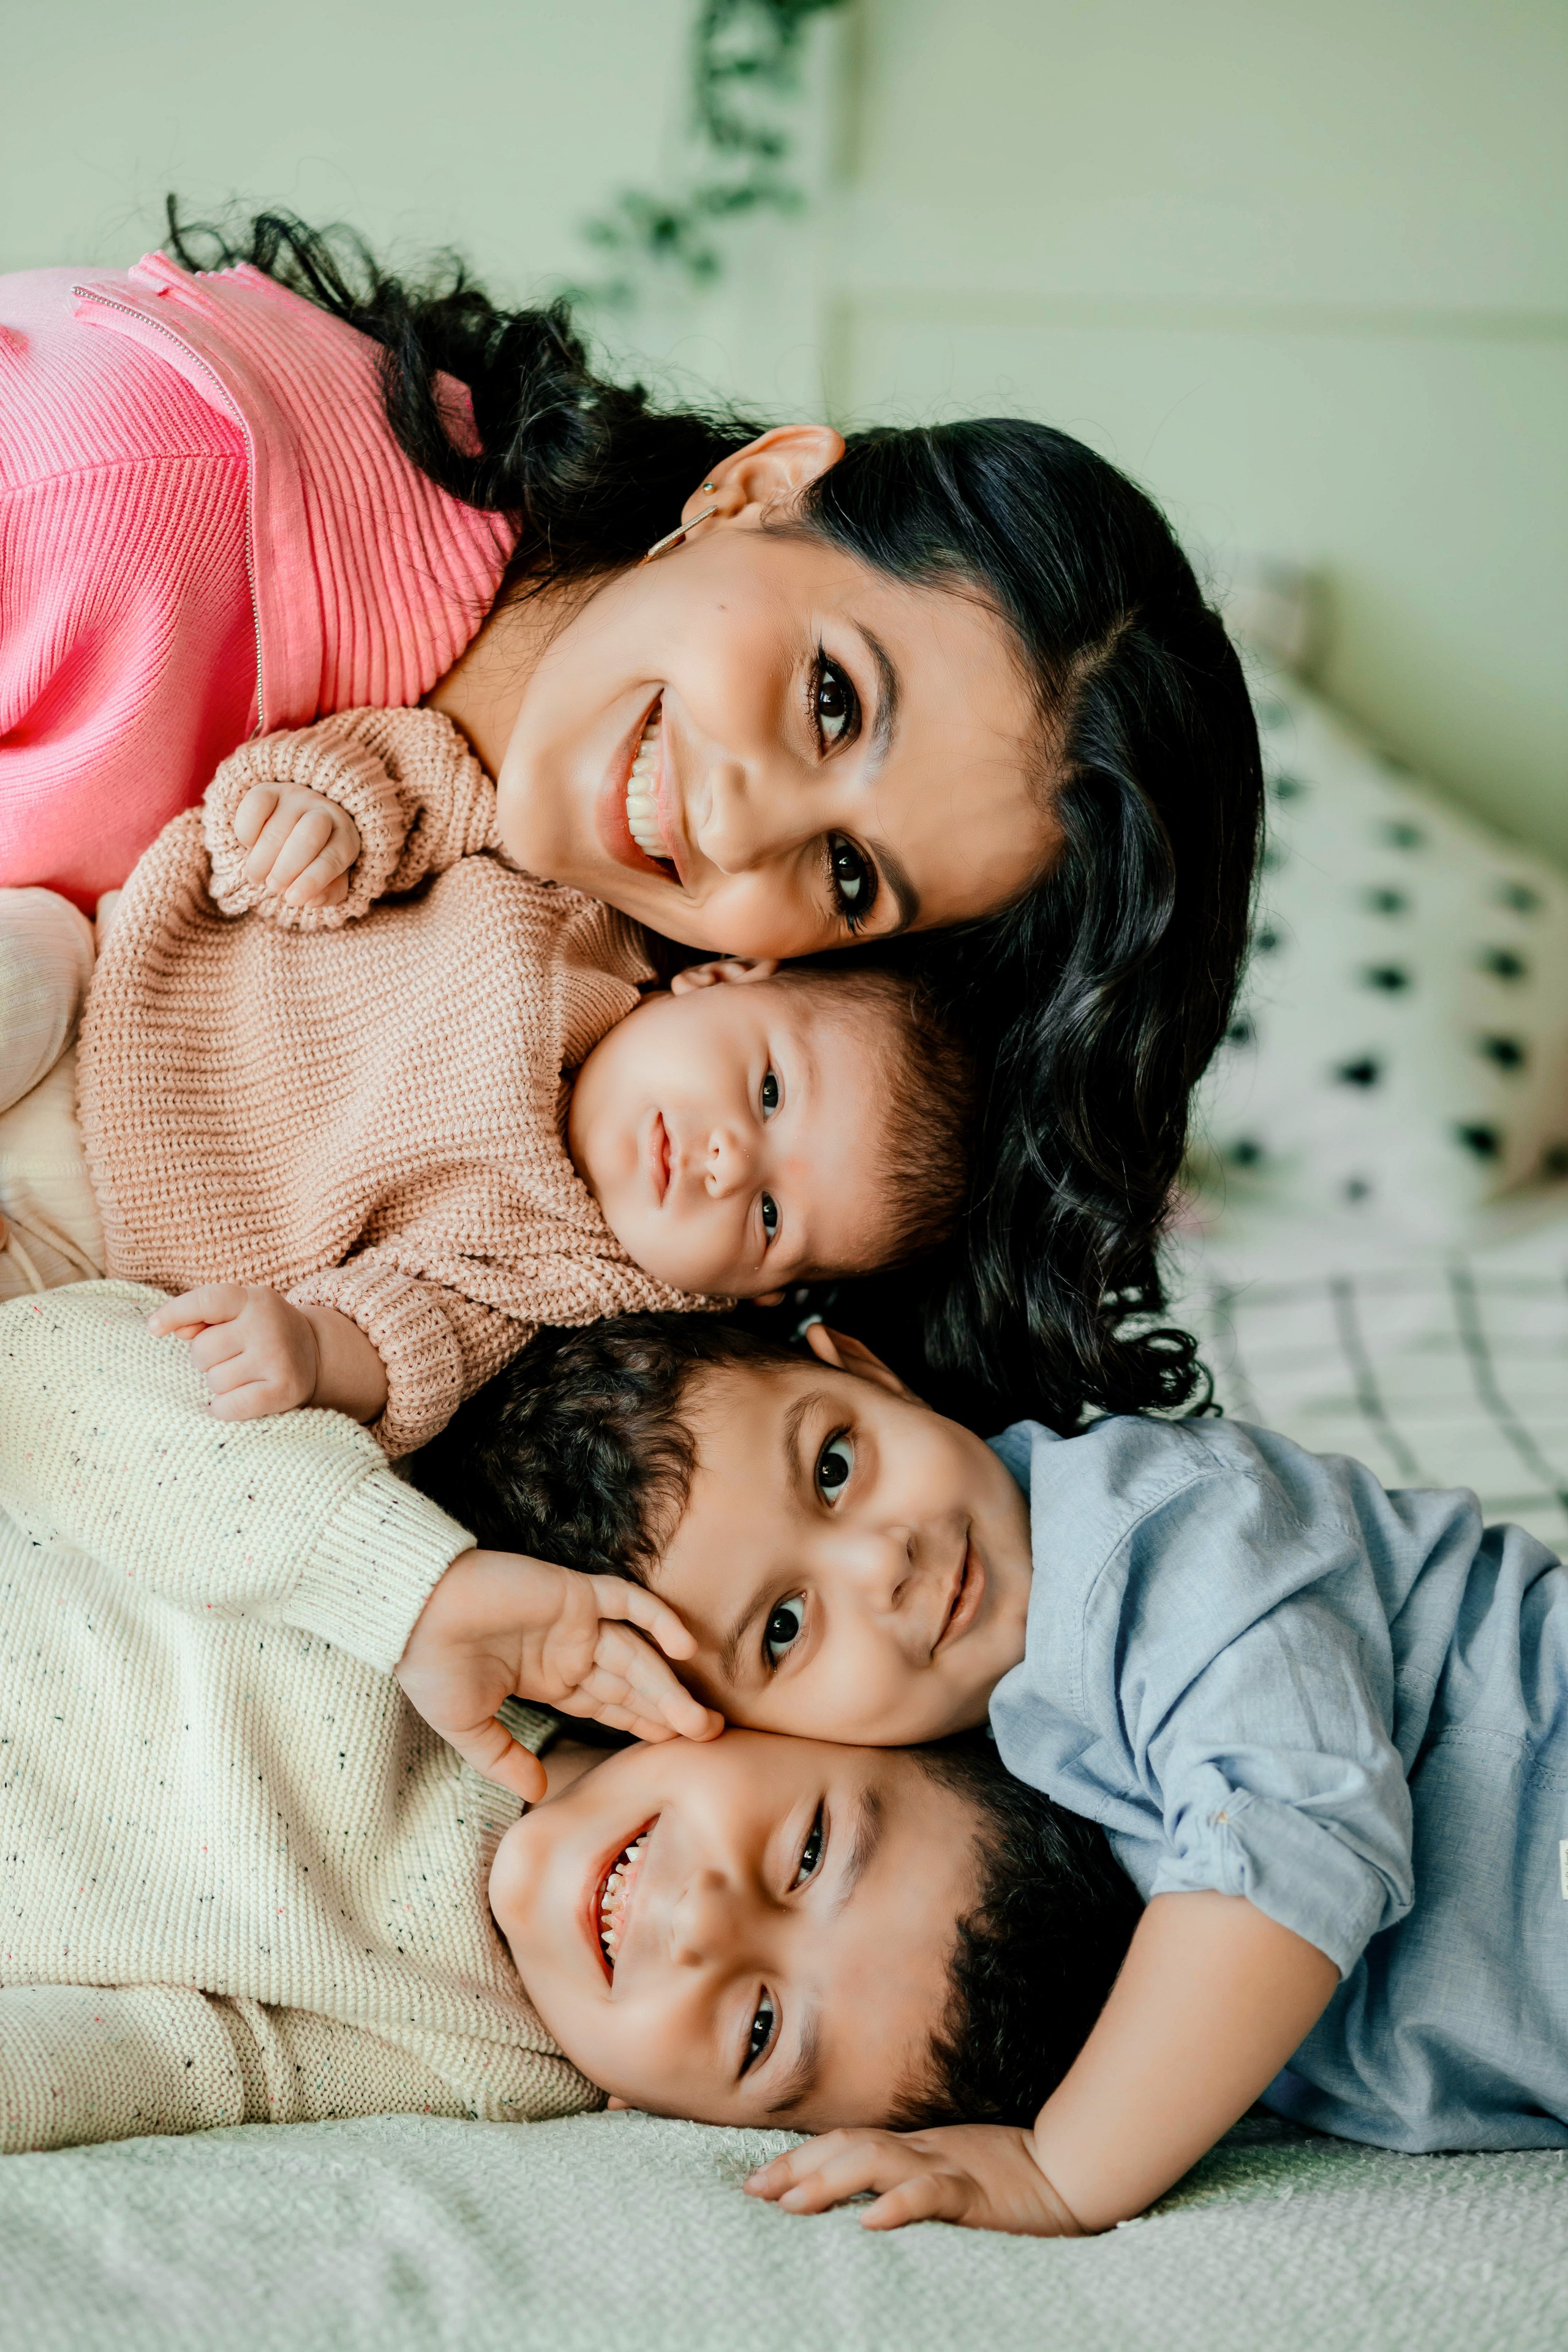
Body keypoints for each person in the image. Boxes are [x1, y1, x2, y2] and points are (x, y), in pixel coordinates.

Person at [0, 206, 1264, 1433]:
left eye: (848, 873)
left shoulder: (611, 1086)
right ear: (756, 489)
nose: (737, 832)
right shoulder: (113, 495)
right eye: (831, 700)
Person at [412, 1310, 1568, 2234]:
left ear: (868, 1372)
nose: (884, 1561)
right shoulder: (1003, 1809)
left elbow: (1293, 1834)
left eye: (833, 1465)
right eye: (784, 1629)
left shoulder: (1147, 1534)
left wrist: (1067, 2168)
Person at [0, 1279, 1137, 2155]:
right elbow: (42, 1359)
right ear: (785, 1727)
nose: (705, 1924)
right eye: (808, 1851)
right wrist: (416, 1595)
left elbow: (189, 2062)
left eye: (759, 2032)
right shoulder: (497, 1552)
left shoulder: (496, 2067)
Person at [0, 701, 974, 1453]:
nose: (726, 1162)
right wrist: (322, 814)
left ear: (748, 1298)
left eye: (768, 1217)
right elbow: (421, 783)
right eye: (768, 1094)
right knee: (21, 956)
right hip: (118, 986)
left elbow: (412, 1339)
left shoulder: (564, 1274)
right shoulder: (572, 905)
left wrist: (308, 1348)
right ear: (721, 978)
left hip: (102, 1257)